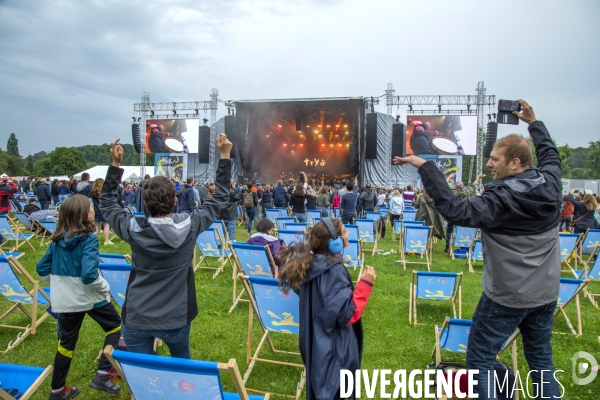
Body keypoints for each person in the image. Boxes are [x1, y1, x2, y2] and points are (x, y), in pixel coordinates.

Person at [393, 100, 563, 398]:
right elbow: (550, 155)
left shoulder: (501, 200)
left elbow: (457, 211)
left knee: (480, 360)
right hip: (546, 294)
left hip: (507, 297)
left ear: (515, 163)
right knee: (541, 361)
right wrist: (534, 123)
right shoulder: (549, 182)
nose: (488, 164)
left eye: (495, 159)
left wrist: (426, 166)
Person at [99, 135, 232, 358]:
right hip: (175, 318)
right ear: (174, 201)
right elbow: (219, 198)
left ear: (145, 203)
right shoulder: (190, 226)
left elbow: (107, 203)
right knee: (181, 373)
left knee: (144, 377)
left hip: (137, 316)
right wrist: (225, 157)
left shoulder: (133, 229)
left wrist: (115, 165)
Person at [277, 218, 376, 400]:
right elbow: (347, 315)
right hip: (335, 349)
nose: (348, 235)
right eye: (345, 232)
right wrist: (365, 285)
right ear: (335, 242)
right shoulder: (333, 272)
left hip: (316, 343)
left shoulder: (308, 266)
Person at [37, 195, 122, 399]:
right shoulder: (89, 238)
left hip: (65, 300)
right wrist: (105, 286)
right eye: (92, 207)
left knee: (65, 344)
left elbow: (41, 269)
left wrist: (59, 282)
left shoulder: (57, 240)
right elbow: (89, 275)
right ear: (85, 214)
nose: (94, 210)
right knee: (116, 327)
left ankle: (57, 390)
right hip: (90, 297)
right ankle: (103, 374)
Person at [443, 173, 485, 252]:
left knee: (449, 231)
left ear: (456, 187)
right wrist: (479, 177)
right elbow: (474, 185)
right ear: (463, 187)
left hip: (453, 215)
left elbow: (445, 186)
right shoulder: (468, 192)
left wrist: (449, 177)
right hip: (464, 216)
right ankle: (465, 244)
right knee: (462, 231)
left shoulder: (453, 193)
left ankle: (448, 247)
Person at [91, 178, 114, 246]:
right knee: (106, 226)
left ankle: (93, 240)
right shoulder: (104, 192)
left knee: (97, 227)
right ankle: (106, 240)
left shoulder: (93, 192)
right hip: (104, 211)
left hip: (96, 211)